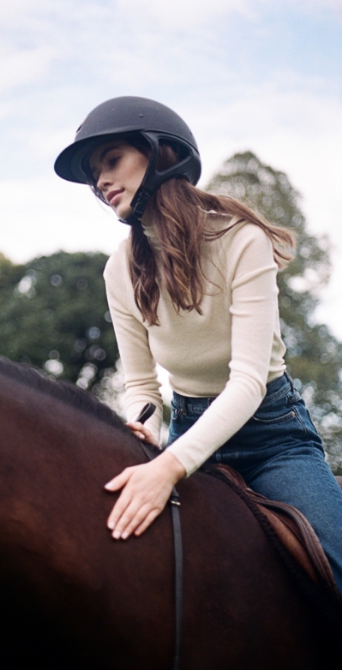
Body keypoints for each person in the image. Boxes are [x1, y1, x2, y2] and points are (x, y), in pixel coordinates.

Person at [54, 96, 342, 594]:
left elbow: (248, 381)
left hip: (273, 434)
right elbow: (142, 384)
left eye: (112, 160)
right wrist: (141, 423)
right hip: (186, 425)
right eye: (93, 174)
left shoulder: (241, 240)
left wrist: (169, 466)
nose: (99, 181)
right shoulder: (119, 269)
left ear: (162, 153)